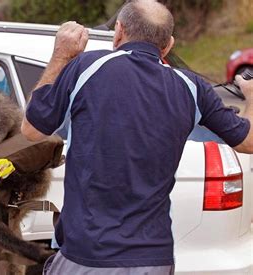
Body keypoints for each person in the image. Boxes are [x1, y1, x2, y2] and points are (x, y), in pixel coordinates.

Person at [20, 0, 253, 274]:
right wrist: (250, 96)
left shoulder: (86, 67)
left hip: (86, 256)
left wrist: (61, 55)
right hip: (152, 259)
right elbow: (248, 141)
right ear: (168, 45)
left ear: (118, 31)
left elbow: (31, 129)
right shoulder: (191, 87)